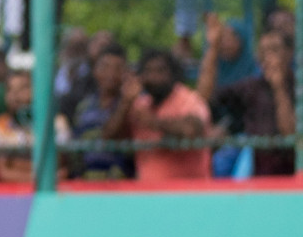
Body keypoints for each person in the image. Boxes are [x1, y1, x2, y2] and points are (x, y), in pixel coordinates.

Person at [107, 49, 212, 181]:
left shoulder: (189, 99)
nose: (154, 77)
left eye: (160, 71)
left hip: (188, 192)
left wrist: (153, 122)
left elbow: (190, 129)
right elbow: (109, 138)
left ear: (172, 73)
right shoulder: (139, 104)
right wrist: (124, 104)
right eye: (148, 71)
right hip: (148, 194)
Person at [204, 30, 296, 177]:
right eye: (263, 52)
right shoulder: (250, 87)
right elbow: (206, 97)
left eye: (274, 50)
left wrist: (279, 89)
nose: (268, 57)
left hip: (292, 173)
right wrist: (214, 48)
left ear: (289, 53)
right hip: (258, 172)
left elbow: (290, 134)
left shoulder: (298, 87)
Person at [69, 42, 136, 180]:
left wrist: (125, 103)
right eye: (105, 67)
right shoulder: (84, 107)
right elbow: (76, 147)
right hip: (87, 183)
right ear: (95, 70)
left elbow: (110, 136)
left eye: (118, 68)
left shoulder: (133, 105)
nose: (111, 73)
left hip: (121, 185)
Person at [0, 69, 67, 184]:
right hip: (14, 193)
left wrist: (16, 164)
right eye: (10, 89)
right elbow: (4, 171)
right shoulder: (0, 124)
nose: (15, 95)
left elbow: (58, 167)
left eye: (23, 88)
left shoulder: (57, 122)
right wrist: (38, 176)